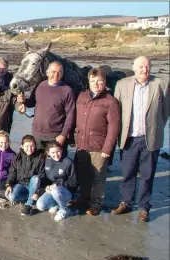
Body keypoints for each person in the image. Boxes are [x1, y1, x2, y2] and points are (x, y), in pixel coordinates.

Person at [111, 56, 169, 222]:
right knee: (127, 173)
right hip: (128, 138)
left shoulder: (160, 84)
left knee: (147, 174)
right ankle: (126, 202)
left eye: (148, 66)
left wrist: (155, 128)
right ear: (134, 68)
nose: (145, 69)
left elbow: (165, 112)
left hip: (149, 138)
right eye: (141, 66)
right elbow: (116, 111)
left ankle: (144, 207)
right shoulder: (122, 84)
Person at [72, 68, 121, 216]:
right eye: (93, 81)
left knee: (98, 177)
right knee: (84, 174)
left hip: (99, 146)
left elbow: (114, 127)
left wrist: (107, 148)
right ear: (88, 82)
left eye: (99, 81)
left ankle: (96, 204)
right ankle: (84, 198)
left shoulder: (110, 101)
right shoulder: (81, 97)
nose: (96, 84)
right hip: (81, 144)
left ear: (104, 82)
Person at [18, 61, 76, 159]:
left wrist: (63, 135)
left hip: (56, 136)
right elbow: (32, 102)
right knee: (39, 164)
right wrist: (24, 101)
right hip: (38, 134)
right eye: (53, 72)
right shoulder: (40, 86)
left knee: (57, 166)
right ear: (47, 72)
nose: (56, 75)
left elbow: (71, 115)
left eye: (59, 72)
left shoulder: (67, 91)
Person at [5, 135, 46, 216]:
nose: (29, 148)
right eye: (27, 146)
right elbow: (12, 172)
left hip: (34, 185)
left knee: (36, 178)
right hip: (21, 185)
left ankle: (29, 204)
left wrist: (38, 192)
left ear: (35, 146)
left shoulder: (40, 157)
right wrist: (8, 184)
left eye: (32, 146)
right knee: (11, 197)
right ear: (22, 146)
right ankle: (30, 196)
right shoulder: (17, 157)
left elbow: (42, 176)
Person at [36, 141, 77, 221]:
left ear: (61, 150)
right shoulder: (46, 161)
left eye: (58, 151)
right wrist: (46, 187)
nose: (56, 155)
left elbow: (73, 182)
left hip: (66, 191)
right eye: (53, 152)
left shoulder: (69, 162)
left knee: (56, 191)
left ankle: (64, 209)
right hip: (52, 189)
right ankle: (56, 204)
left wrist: (58, 185)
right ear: (48, 152)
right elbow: (44, 178)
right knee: (40, 206)